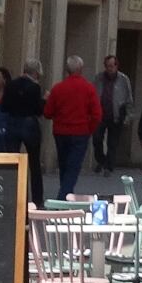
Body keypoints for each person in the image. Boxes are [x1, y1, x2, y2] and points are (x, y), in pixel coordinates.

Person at [42, 55, 102, 201]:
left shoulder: (58, 89)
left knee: (64, 166)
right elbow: (97, 114)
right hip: (80, 132)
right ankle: (64, 196)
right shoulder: (88, 88)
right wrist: (89, 129)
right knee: (73, 167)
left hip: (61, 132)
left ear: (66, 69)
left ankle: (65, 193)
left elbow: (48, 113)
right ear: (81, 69)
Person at [2, 61, 47, 194]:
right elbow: (38, 111)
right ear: (36, 72)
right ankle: (37, 199)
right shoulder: (35, 87)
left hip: (12, 123)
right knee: (34, 163)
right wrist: (44, 100)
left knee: (12, 162)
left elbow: (4, 106)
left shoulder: (11, 85)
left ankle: (13, 195)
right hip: (29, 124)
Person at [96, 54, 133, 169]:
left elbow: (128, 99)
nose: (109, 69)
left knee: (113, 142)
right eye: (107, 66)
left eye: (112, 66)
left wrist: (128, 116)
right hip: (100, 114)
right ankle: (101, 160)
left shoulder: (123, 79)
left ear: (116, 66)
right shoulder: (99, 78)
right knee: (97, 139)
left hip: (116, 114)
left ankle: (109, 165)